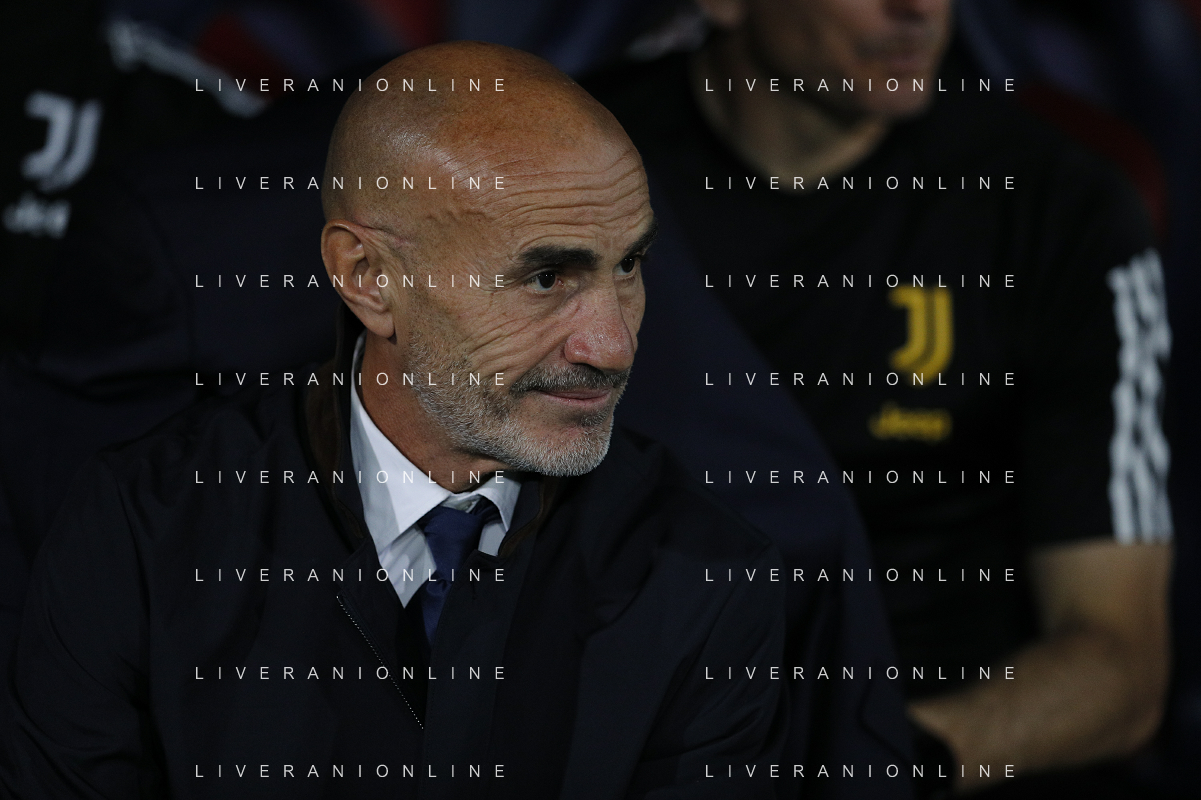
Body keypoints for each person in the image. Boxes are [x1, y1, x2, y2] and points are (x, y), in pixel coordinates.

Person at [2, 42, 790, 799]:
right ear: (367, 277)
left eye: (629, 265)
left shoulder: (708, 575)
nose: (613, 346)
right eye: (546, 277)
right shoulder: (140, 527)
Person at [588, 0, 1173, 795]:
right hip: (642, 732)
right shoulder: (572, 175)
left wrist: (882, 762)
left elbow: (1120, 661)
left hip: (939, 747)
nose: (918, 9)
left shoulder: (1057, 205)